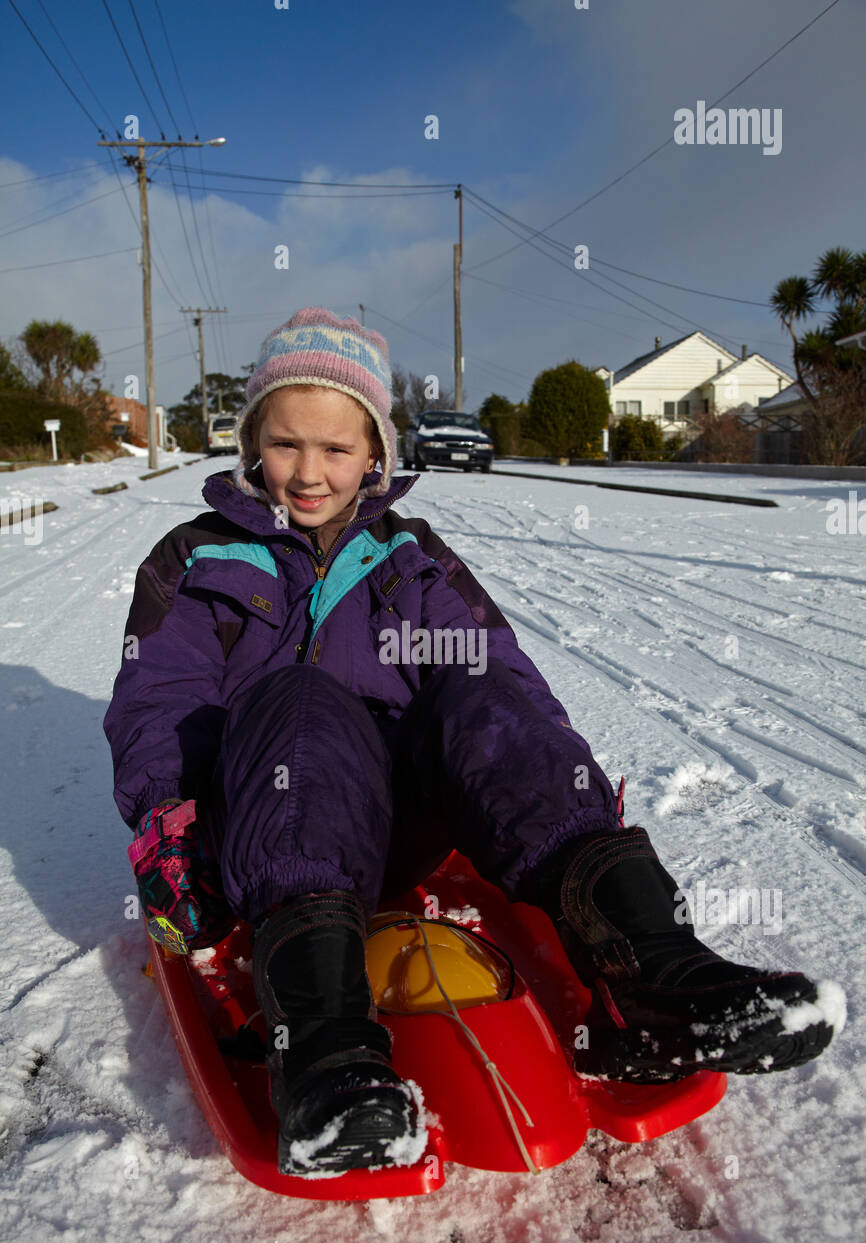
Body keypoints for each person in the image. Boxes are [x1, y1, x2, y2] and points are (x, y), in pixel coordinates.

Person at [104, 308, 844, 1177]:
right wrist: (171, 832)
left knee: (487, 690)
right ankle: (328, 1061)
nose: (309, 473)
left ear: (375, 453)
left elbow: (506, 681)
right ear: (251, 441)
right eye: (285, 444)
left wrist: (555, 779)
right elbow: (159, 700)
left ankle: (658, 976)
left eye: (337, 450)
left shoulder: (409, 559)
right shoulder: (198, 559)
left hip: (395, 826)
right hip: (266, 836)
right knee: (302, 700)